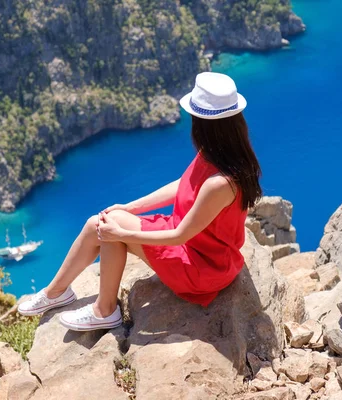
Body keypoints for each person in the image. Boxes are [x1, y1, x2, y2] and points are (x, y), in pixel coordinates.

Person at [18, 72, 263, 332]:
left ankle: (104, 311)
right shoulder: (223, 155)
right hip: (192, 247)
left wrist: (122, 233)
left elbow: (179, 235)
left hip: (201, 267)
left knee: (109, 231)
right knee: (97, 225)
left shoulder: (220, 183)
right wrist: (131, 207)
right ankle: (56, 292)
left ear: (203, 124)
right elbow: (184, 184)